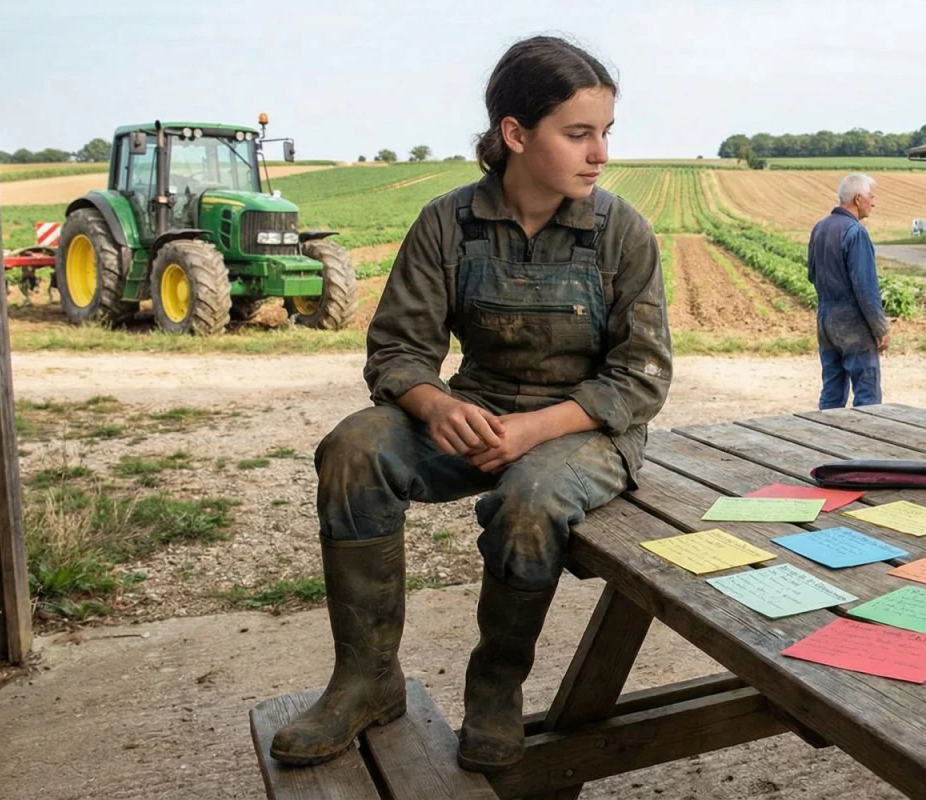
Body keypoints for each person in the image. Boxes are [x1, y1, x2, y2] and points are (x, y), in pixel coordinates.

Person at [268, 36, 672, 773]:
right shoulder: (447, 223)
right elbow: (397, 349)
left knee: (531, 502)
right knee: (355, 449)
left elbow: (641, 377)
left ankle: (495, 693)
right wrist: (433, 404)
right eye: (578, 133)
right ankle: (367, 680)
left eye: (605, 132)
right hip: (476, 413)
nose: (600, 154)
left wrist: (535, 430)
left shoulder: (621, 232)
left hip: (583, 427)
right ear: (515, 133)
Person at [807, 173, 890, 409]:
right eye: (871, 197)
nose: (873, 203)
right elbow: (866, 287)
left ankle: (827, 431)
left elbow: (811, 274)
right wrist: (880, 327)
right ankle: (864, 433)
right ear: (858, 198)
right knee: (867, 392)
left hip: (825, 317)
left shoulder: (820, 228)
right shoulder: (855, 232)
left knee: (832, 389)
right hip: (853, 321)